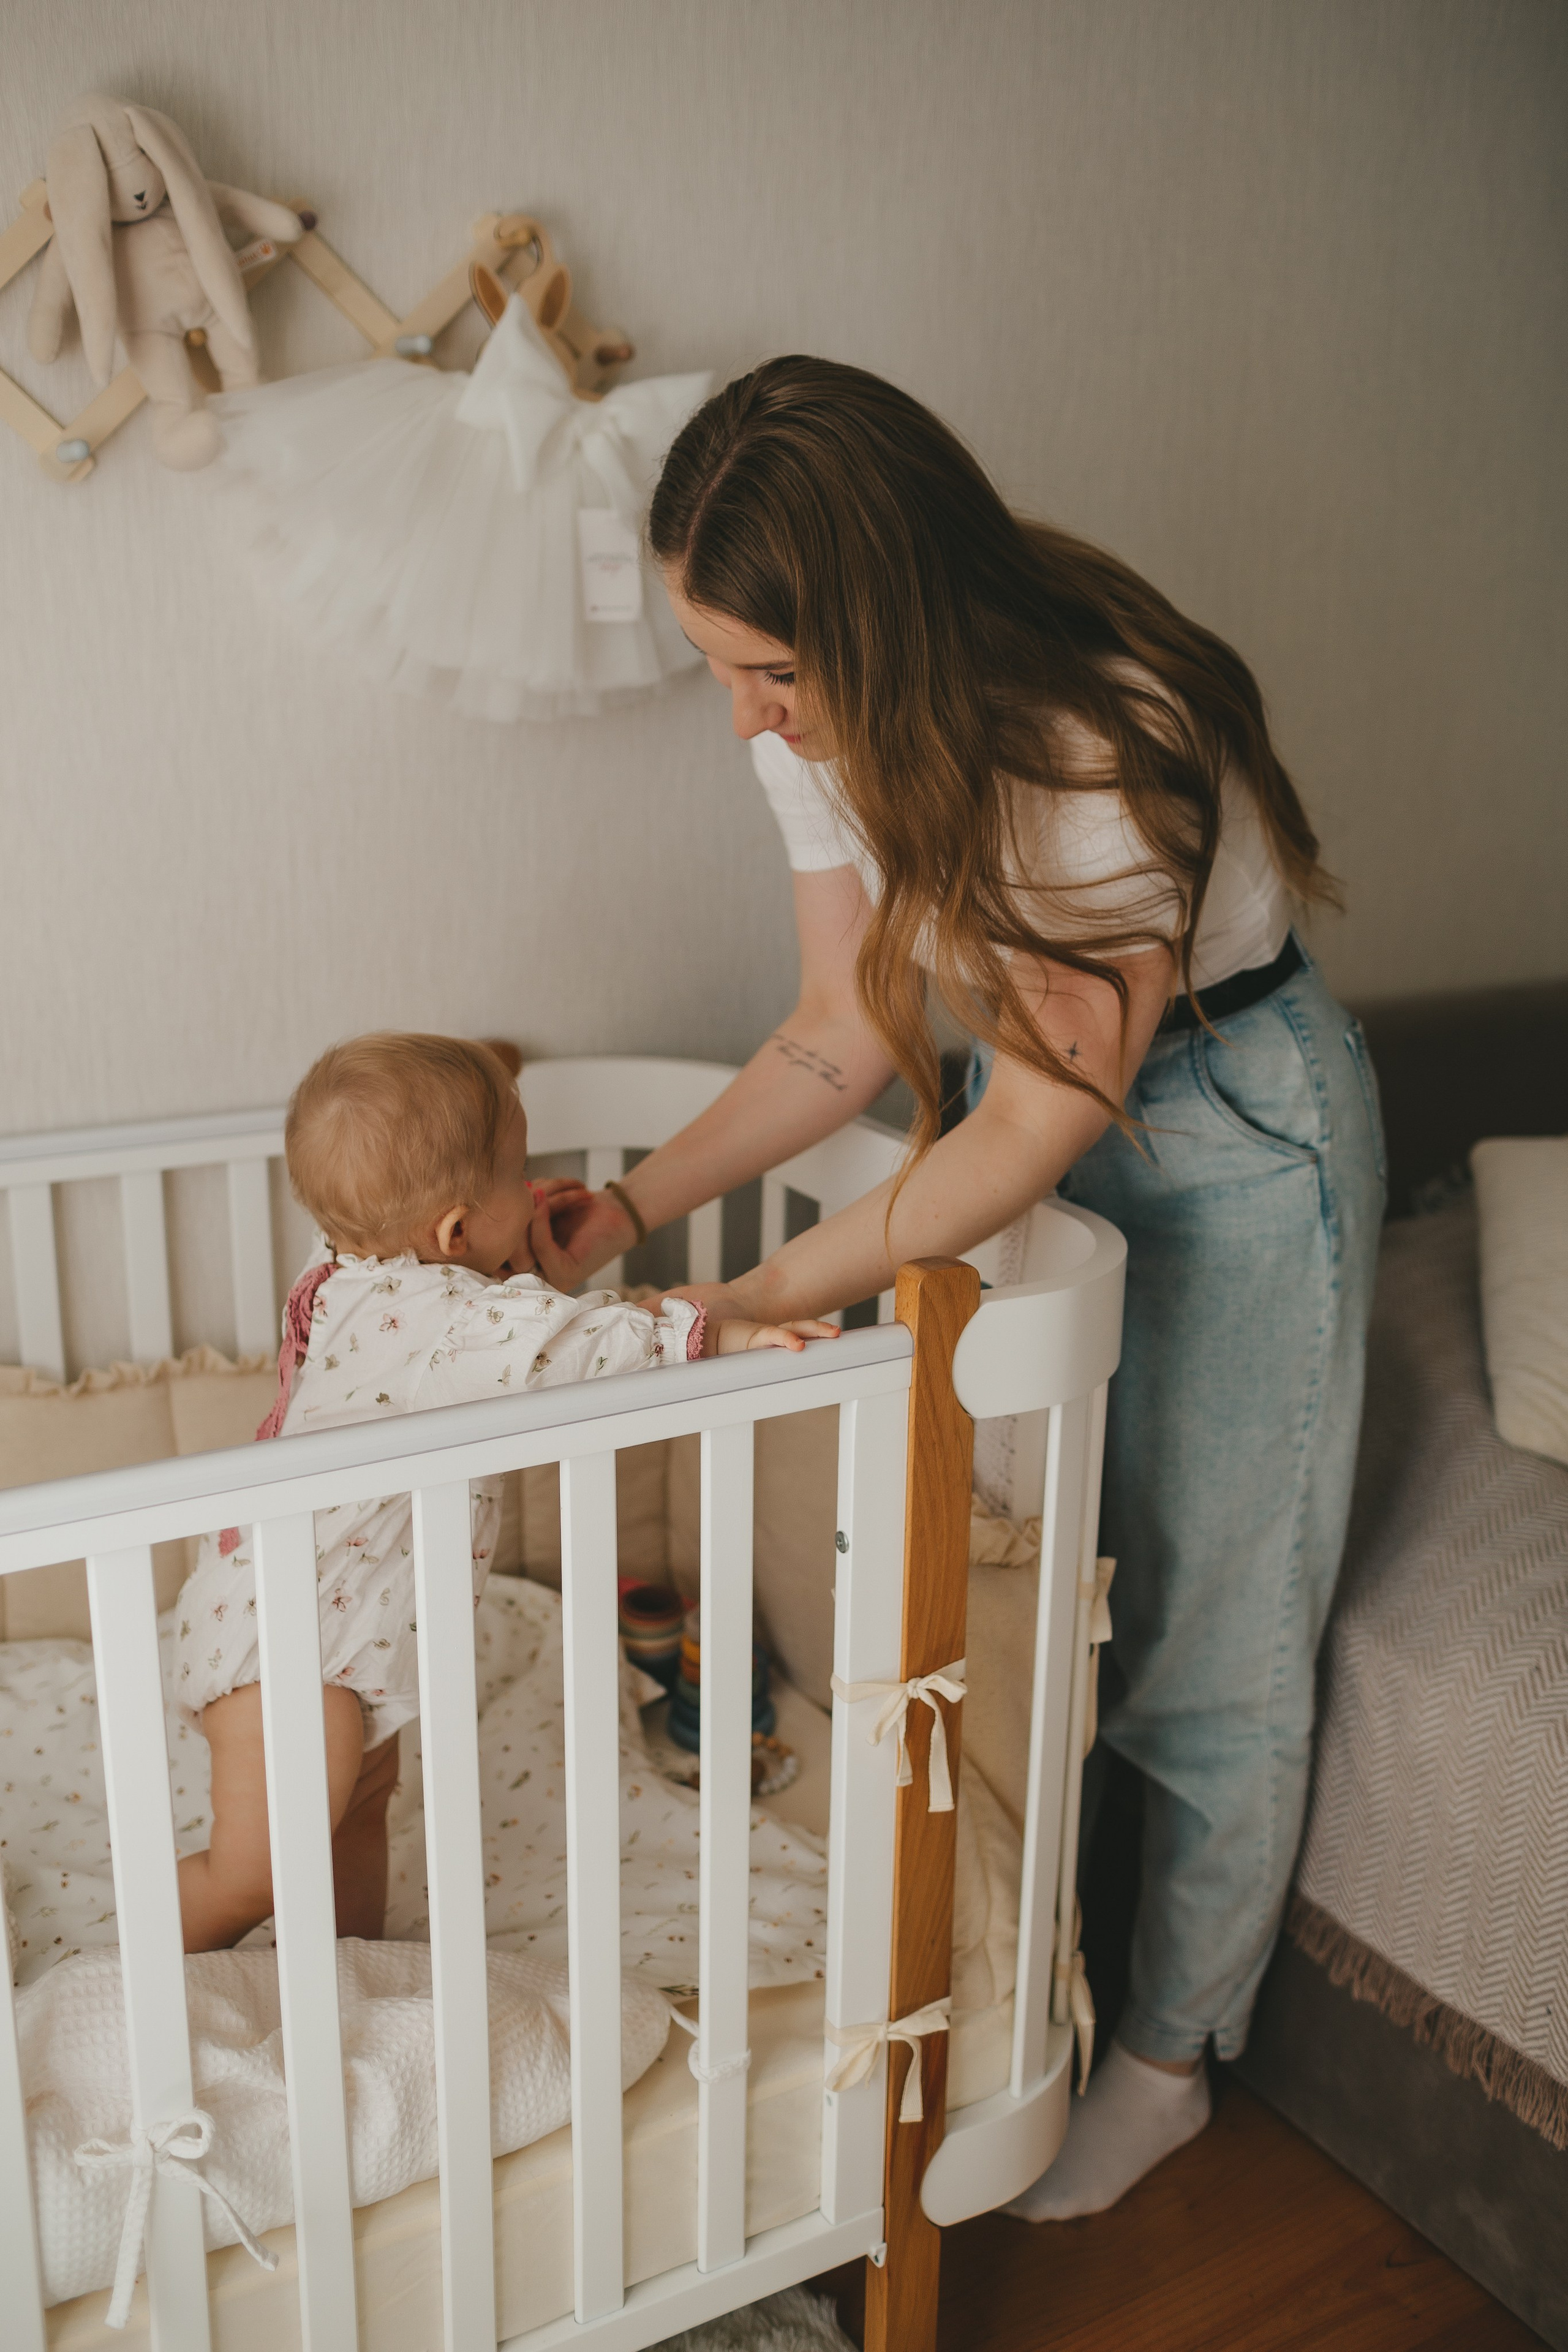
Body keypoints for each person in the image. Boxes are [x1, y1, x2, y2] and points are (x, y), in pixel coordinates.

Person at [532, 358, 1386, 2218]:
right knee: (1036, 1580)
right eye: (724, 672)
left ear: (887, 619)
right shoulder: (818, 733)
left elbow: (1014, 1150)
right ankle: (1057, 1980)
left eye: (774, 675)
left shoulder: (1103, 742)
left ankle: (1168, 2060)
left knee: (1210, 1626)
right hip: (1044, 1083)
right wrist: (631, 1212)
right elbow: (842, 1039)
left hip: (1234, 1120)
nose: (746, 720)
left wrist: (766, 1296)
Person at [174, 1031, 834, 1954]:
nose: (533, 1195)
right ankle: (145, 1973)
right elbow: (583, 1346)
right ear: (451, 1234)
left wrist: (511, 1247)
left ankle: (346, 1971)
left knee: (360, 1809)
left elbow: (495, 1324)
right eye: (517, 1179)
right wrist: (719, 1338)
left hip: (340, 1632)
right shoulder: (446, 1320)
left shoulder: (353, 1279)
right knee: (260, 1870)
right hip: (287, 1637)